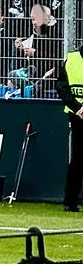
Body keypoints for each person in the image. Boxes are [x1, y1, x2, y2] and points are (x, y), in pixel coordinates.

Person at [55, 45, 83, 212]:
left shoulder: (72, 59)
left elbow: (61, 87)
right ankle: (70, 201)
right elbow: (61, 86)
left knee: (78, 160)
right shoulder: (71, 59)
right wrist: (78, 108)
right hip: (77, 116)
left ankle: (70, 201)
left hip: (76, 114)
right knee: (78, 160)